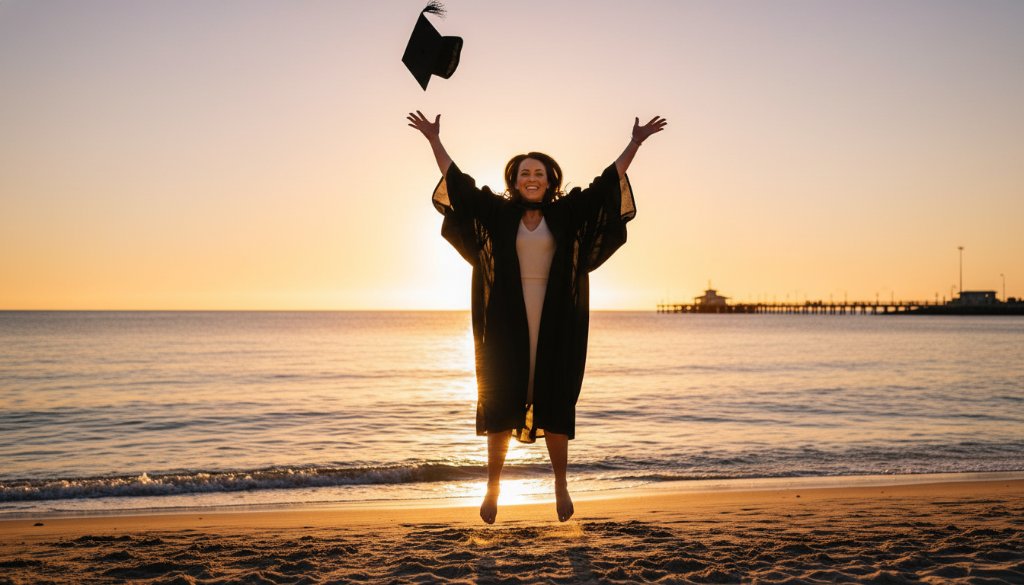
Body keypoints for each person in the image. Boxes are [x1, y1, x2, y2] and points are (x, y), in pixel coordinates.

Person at [407, 111, 667, 523]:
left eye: (539, 173)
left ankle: (560, 485)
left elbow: (605, 186)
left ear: (550, 180)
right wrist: (433, 140)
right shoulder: (498, 213)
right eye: (525, 172)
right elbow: (460, 185)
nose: (532, 178)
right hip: (506, 323)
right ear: (514, 180)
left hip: (557, 322)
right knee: (500, 401)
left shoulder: (566, 213)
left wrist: (635, 143)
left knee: (555, 400)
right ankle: (492, 489)